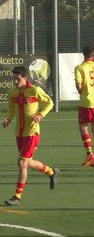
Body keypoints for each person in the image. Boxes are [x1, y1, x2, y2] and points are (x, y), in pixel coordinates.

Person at [3, 66, 59, 206]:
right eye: (14, 79)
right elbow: (11, 110)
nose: (15, 82)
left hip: (32, 132)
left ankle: (17, 196)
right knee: (28, 162)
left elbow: (49, 103)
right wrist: (8, 120)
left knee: (22, 163)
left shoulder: (35, 90)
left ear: (25, 77)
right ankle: (51, 172)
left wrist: (40, 115)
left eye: (18, 79)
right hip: (19, 132)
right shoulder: (12, 92)